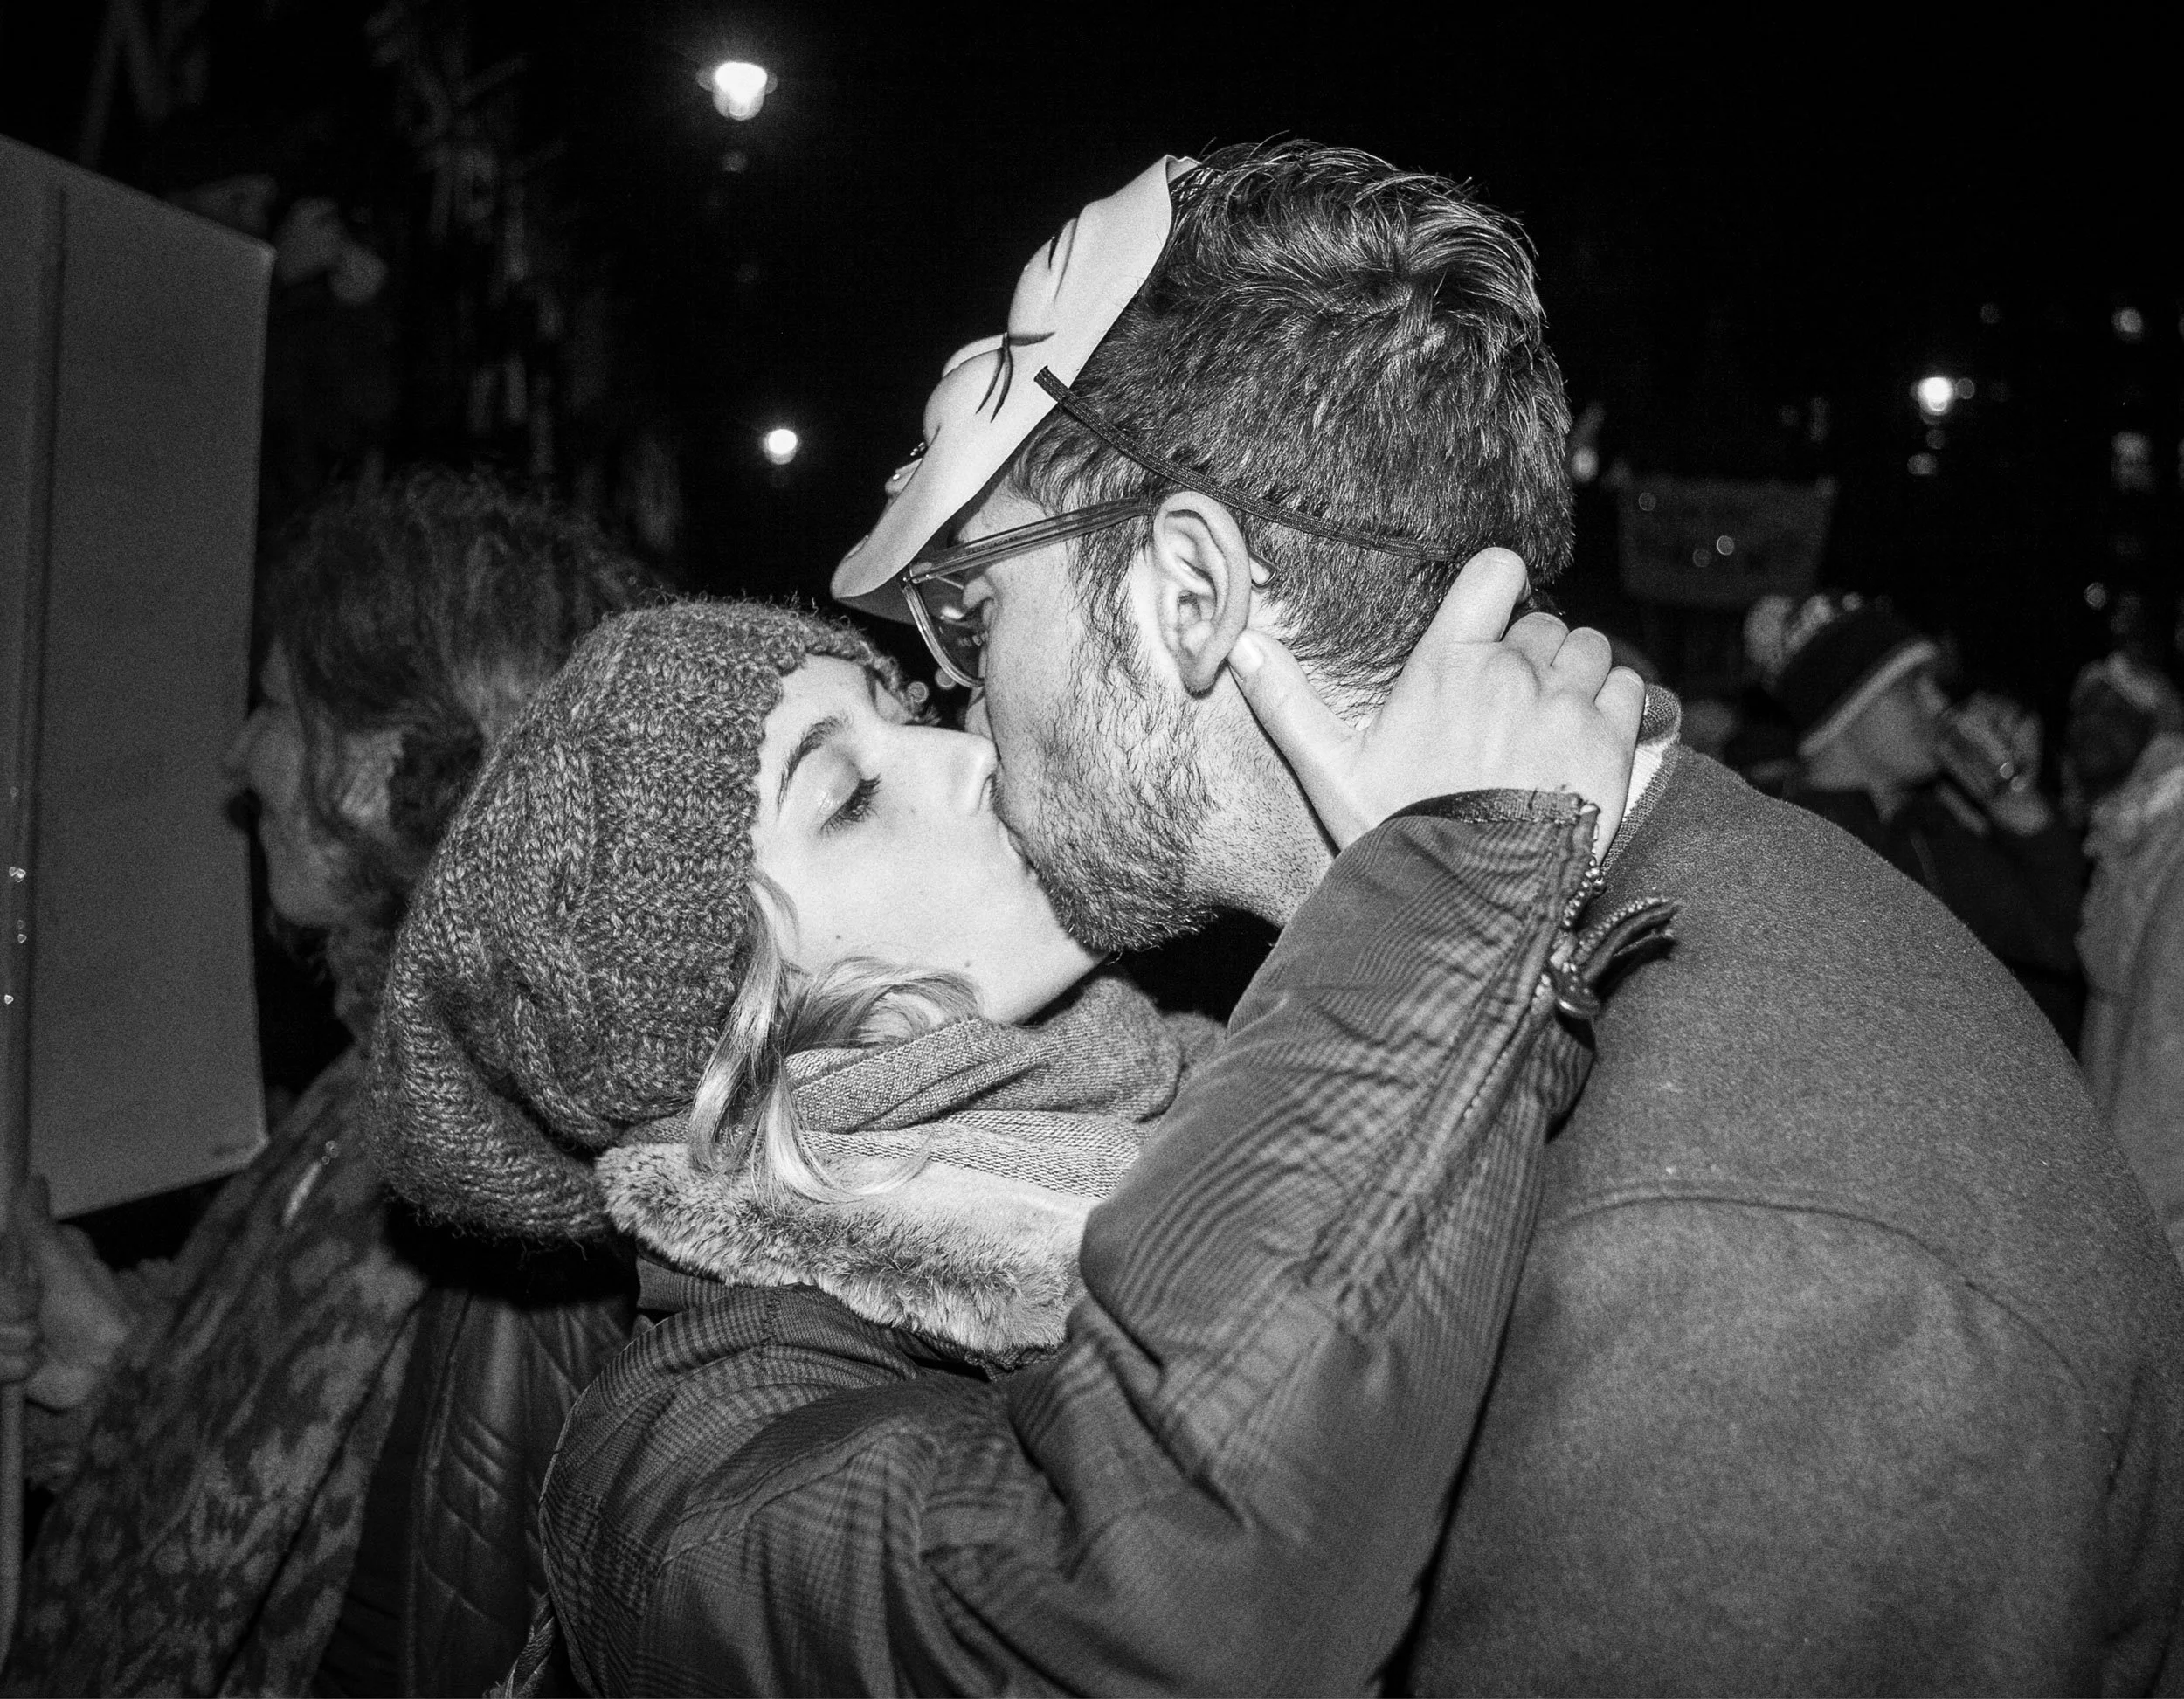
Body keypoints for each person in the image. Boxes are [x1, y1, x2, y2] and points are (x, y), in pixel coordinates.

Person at [818, 145, 2184, 1690]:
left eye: (974, 610)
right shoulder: (1562, 952)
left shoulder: (1729, 1271)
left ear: (1190, 592)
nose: (960, 701)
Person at [361, 567, 1650, 1697]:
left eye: (905, 710)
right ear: (742, 1016)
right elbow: (1149, 1615)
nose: (968, 753)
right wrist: (1448, 896)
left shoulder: (1203, 1075)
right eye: (849, 796)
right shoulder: (678, 1475)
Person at [0, 472, 652, 1696]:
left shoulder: (505, 1168)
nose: (239, 756)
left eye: (276, 706)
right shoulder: (381, 1082)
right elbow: (264, 1456)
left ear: (376, 763)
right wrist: (99, 1363)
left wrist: (120, 1389)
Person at [1748, 590, 2088, 1039]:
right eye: (1910, 688)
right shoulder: (1779, 845)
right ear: (1844, 712)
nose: (1938, 705)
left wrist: (2008, 795)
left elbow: (2067, 940)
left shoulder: (1925, 831)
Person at [2070, 653, 2184, 1260]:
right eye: (2080, 710)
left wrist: (2150, 1242)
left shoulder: (2168, 833)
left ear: (2158, 722)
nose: (2088, 724)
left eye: (2112, 708)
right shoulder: (2130, 828)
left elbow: (2165, 1054)